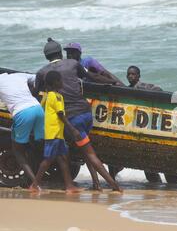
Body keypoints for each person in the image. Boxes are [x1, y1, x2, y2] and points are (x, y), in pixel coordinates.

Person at [36, 38, 122, 192]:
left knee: (90, 154)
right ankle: (96, 184)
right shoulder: (73, 64)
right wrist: (112, 83)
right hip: (86, 113)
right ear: (60, 52)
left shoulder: (42, 72)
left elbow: (36, 92)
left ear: (46, 56)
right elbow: (93, 77)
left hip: (72, 119)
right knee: (85, 150)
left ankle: (114, 186)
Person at [29, 71, 83, 194]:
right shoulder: (58, 96)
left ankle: (69, 186)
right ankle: (34, 185)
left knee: (63, 159)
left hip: (54, 132)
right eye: (60, 80)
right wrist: (72, 129)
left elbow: (42, 110)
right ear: (55, 82)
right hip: (54, 133)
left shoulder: (47, 96)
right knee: (48, 160)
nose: (62, 82)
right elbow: (60, 114)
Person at [0, 72, 44, 182]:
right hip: (38, 108)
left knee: (17, 151)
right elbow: (39, 77)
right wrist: (34, 93)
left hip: (22, 112)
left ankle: (35, 184)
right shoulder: (18, 75)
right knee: (42, 144)